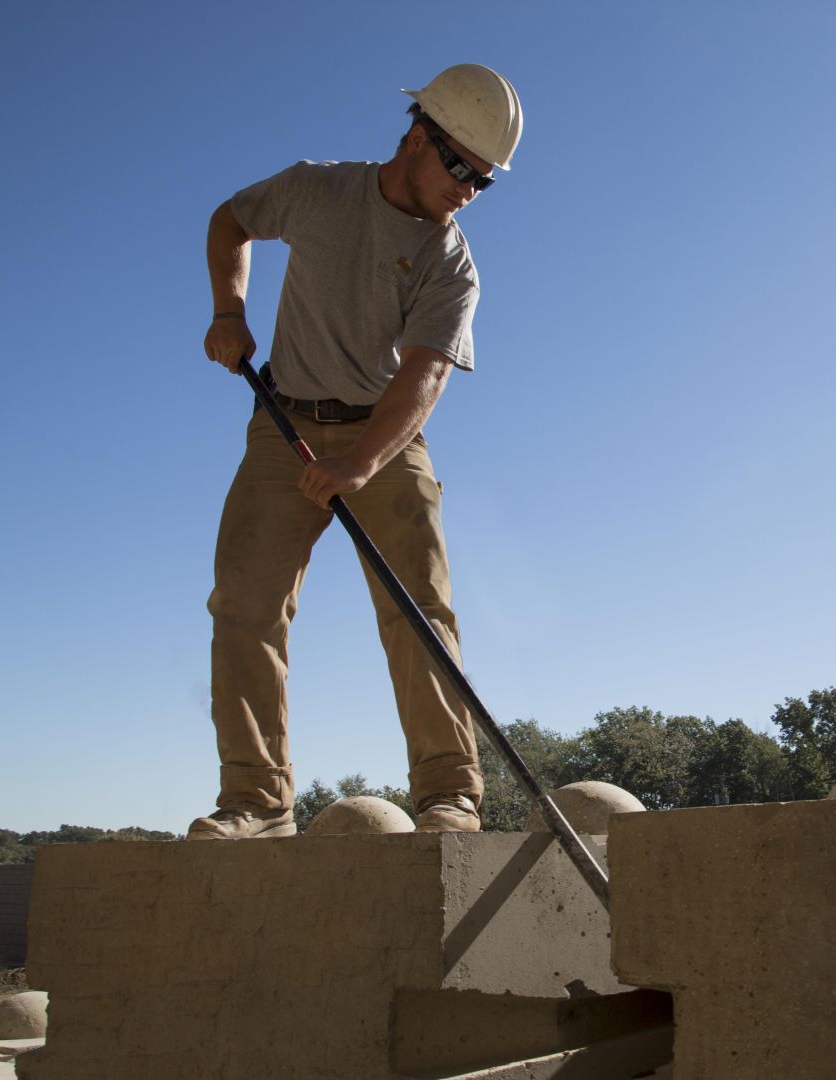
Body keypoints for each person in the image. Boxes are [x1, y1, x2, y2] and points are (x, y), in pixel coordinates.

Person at [191, 63, 523, 839]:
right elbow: (227, 221)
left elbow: (427, 372)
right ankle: (256, 802)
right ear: (416, 137)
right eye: (461, 168)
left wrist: (362, 462)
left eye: (484, 181)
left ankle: (449, 794)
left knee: (421, 611)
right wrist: (227, 310)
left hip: (386, 436)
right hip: (286, 429)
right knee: (243, 606)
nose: (468, 190)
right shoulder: (318, 190)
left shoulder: (451, 260)